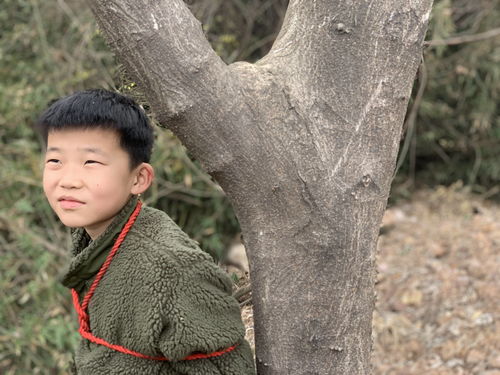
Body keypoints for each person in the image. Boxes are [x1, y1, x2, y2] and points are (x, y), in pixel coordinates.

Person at [36, 89, 256, 375]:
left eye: (90, 162)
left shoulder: (172, 268)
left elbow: (227, 367)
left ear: (139, 178)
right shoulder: (98, 239)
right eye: (55, 161)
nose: (68, 180)